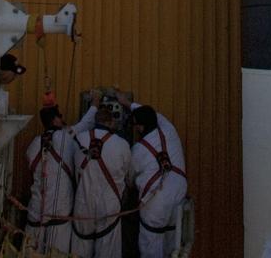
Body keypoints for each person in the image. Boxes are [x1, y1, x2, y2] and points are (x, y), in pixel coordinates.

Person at [71, 97, 131, 258]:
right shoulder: (122, 144)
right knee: (108, 251)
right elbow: (127, 174)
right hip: (110, 204)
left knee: (80, 248)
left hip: (83, 203)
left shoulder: (79, 139)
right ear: (112, 122)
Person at [127, 100, 187, 257]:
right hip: (179, 194)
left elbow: (130, 178)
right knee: (173, 243)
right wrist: (130, 103)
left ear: (140, 127)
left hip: (156, 201)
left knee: (151, 243)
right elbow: (157, 115)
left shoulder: (138, 150)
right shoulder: (169, 130)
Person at [25, 106, 77, 255]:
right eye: (60, 116)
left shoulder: (33, 144)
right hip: (59, 215)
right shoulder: (67, 140)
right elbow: (79, 129)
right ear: (55, 119)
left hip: (35, 214)